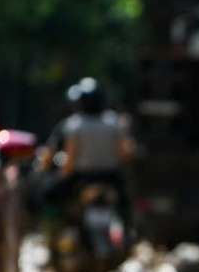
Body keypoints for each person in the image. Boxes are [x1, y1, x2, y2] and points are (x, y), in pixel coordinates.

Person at [40, 77, 134, 226]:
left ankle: (49, 229)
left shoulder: (74, 124)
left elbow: (69, 162)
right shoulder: (113, 121)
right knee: (125, 199)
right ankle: (129, 231)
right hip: (110, 177)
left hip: (80, 178)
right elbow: (125, 153)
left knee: (48, 193)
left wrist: (57, 176)